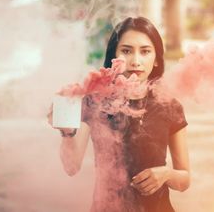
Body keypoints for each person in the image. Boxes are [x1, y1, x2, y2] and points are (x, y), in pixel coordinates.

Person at [49, 17, 190, 212]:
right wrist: (66, 133)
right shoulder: (94, 101)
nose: (135, 61)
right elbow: (71, 167)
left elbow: (184, 180)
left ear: (156, 59)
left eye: (145, 51)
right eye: (126, 50)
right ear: (113, 56)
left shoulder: (169, 106)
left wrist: (166, 174)